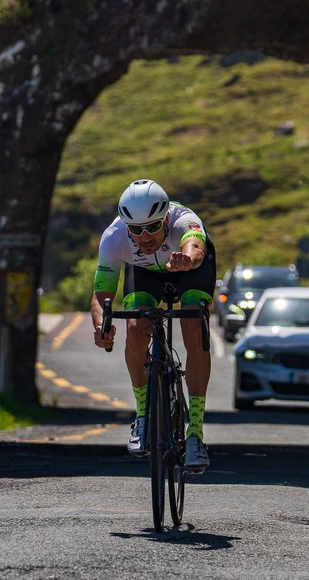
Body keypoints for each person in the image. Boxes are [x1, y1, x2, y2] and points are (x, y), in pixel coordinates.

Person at [91, 179, 216, 472]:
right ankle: (143, 414)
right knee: (135, 328)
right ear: (125, 226)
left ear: (166, 219)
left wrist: (187, 259)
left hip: (188, 269)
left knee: (194, 329)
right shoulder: (113, 237)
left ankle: (195, 432)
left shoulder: (185, 220)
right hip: (144, 273)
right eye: (135, 229)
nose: (144, 236)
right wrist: (101, 325)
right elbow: (101, 294)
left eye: (152, 227)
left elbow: (196, 246)